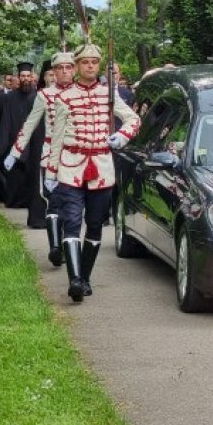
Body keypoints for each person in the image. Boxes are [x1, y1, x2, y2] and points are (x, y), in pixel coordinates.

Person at [46, 43, 140, 303]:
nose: (89, 66)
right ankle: (74, 280)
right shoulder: (64, 97)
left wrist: (120, 138)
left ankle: (85, 277)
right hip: (71, 166)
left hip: (101, 166)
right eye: (84, 62)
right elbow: (55, 138)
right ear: (76, 66)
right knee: (73, 221)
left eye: (94, 62)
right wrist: (51, 172)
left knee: (96, 224)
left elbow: (133, 120)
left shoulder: (109, 93)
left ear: (98, 65)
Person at [5, 51, 75, 263]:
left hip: (74, 156)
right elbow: (29, 124)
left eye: (68, 67)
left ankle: (65, 243)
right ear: (52, 72)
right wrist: (15, 152)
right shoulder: (44, 95)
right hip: (49, 156)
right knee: (52, 200)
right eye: (59, 68)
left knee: (70, 204)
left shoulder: (82, 93)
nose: (64, 72)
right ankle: (55, 246)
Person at [0, 62, 39, 210]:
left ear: (32, 77)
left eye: (28, 76)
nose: (26, 79)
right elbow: (5, 121)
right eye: (23, 76)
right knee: (16, 175)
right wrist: (3, 144)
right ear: (18, 78)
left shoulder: (39, 96)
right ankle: (15, 201)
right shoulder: (10, 98)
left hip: (34, 143)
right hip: (14, 142)